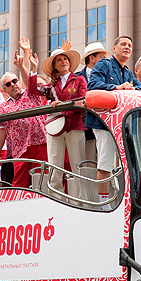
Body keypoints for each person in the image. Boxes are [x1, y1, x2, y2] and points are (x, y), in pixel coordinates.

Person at [86, 35, 141, 209]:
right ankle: (103, 204)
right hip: (103, 123)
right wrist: (117, 87)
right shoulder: (103, 64)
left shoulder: (127, 72)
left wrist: (133, 87)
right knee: (105, 164)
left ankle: (120, 201)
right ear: (114, 49)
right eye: (123, 44)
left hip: (120, 125)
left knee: (122, 165)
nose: (127, 47)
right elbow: (93, 84)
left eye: (130, 45)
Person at [0, 47, 48, 188]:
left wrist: (22, 66)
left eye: (15, 81)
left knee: (42, 179)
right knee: (20, 184)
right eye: (8, 84)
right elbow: (1, 130)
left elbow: (30, 83)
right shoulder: (4, 107)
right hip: (19, 149)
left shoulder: (30, 93)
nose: (13, 85)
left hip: (39, 143)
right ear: (4, 89)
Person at [40, 43, 87, 198]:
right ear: (55, 65)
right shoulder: (50, 85)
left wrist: (62, 105)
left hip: (74, 126)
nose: (63, 61)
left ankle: (82, 203)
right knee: (54, 166)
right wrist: (31, 67)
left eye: (65, 58)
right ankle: (56, 200)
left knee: (78, 166)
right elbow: (35, 90)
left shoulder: (79, 79)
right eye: (59, 60)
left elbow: (83, 100)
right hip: (55, 128)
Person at [77, 42, 110, 163]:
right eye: (102, 57)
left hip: (106, 125)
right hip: (86, 130)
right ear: (91, 58)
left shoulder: (111, 76)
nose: (105, 61)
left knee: (107, 164)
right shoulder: (76, 78)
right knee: (89, 164)